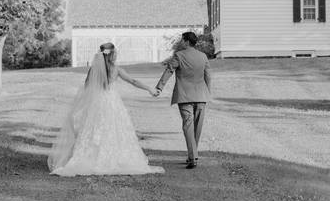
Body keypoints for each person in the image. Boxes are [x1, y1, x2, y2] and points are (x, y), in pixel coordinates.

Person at [48, 43, 164, 176]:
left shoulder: (94, 69)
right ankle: (116, 157)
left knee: (94, 128)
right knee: (115, 128)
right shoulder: (116, 69)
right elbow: (133, 81)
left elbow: (87, 86)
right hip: (112, 102)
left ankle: (90, 157)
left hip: (97, 102)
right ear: (112, 54)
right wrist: (150, 89)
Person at [156, 32, 211, 169]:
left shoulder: (179, 55)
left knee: (188, 125)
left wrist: (160, 87)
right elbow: (208, 75)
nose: (181, 42)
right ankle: (193, 155)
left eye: (182, 40)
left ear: (186, 42)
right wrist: (208, 92)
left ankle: (192, 156)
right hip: (201, 96)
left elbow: (169, 70)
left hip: (185, 96)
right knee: (197, 127)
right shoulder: (203, 56)